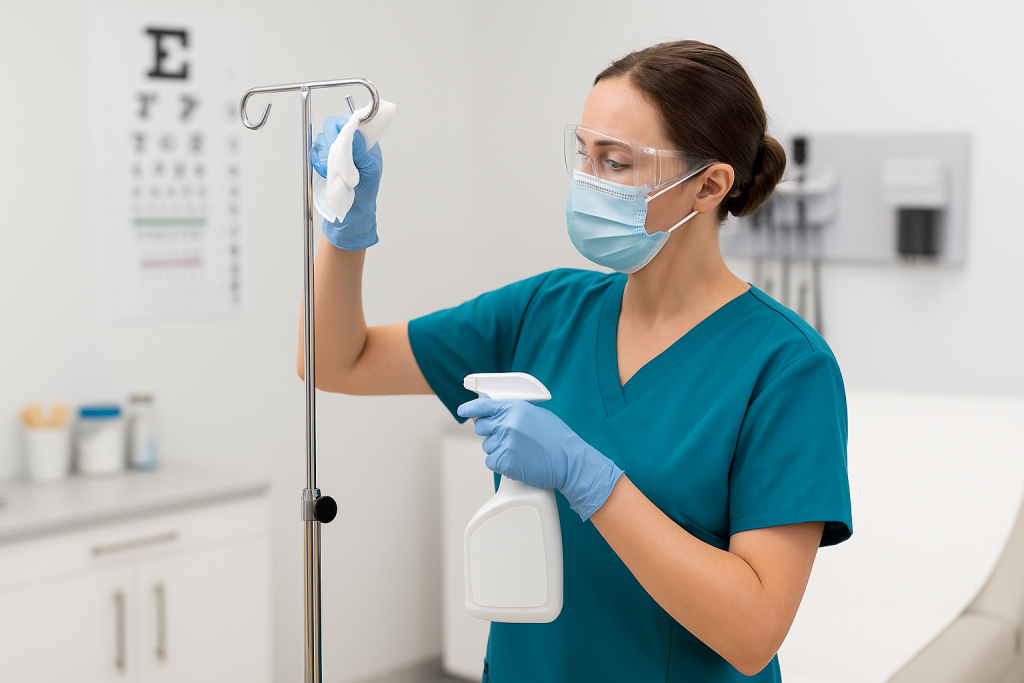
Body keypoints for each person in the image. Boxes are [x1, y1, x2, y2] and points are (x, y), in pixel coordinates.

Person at [302, 40, 852, 683]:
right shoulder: (548, 307)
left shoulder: (786, 367)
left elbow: (754, 631)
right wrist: (343, 230)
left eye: (616, 163)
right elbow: (337, 362)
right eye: (583, 155)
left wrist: (592, 480)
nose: (588, 182)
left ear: (708, 185)